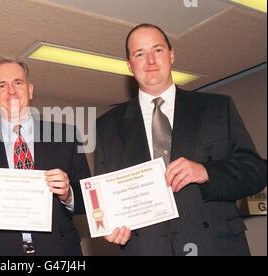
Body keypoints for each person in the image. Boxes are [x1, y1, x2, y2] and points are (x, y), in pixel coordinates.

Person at [96, 23, 267, 256]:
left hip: (215, 246)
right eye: (139, 54)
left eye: (157, 50)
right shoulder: (106, 126)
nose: (151, 61)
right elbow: (103, 199)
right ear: (129, 65)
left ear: (171, 55)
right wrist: (108, 226)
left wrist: (206, 172)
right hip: (147, 248)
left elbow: (256, 172)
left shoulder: (217, 107)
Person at [0, 56, 91, 256]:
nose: (11, 91)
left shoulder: (66, 137)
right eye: (2, 85)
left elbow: (87, 200)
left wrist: (68, 193)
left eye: (18, 82)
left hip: (59, 252)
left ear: (30, 89)